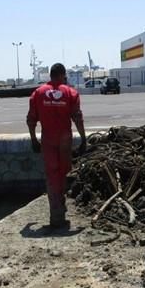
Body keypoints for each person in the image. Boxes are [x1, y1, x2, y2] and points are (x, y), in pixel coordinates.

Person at [26, 63, 87, 228]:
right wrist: (83, 138)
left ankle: (56, 214)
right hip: (65, 139)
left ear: (51, 75)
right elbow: (77, 117)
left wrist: (33, 140)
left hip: (48, 139)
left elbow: (31, 120)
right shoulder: (70, 92)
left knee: (52, 175)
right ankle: (61, 209)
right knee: (65, 173)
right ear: (62, 75)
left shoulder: (38, 93)